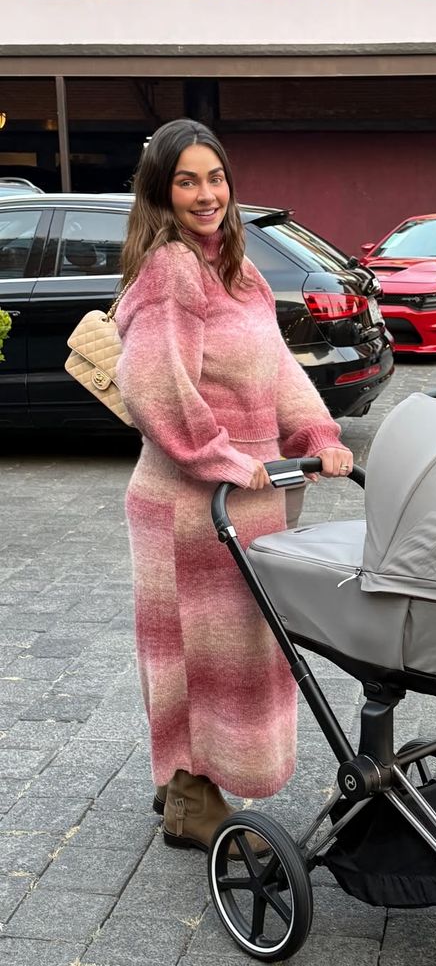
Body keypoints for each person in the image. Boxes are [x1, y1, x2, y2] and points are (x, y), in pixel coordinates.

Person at [115, 118, 353, 853]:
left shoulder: (238, 272)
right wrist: (221, 456)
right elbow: (151, 383)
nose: (206, 194)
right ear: (162, 191)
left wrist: (317, 435)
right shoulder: (171, 270)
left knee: (238, 655)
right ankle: (194, 800)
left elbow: (277, 367)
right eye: (186, 180)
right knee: (203, 656)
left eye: (215, 177)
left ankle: (186, 780)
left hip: (245, 497)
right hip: (192, 503)